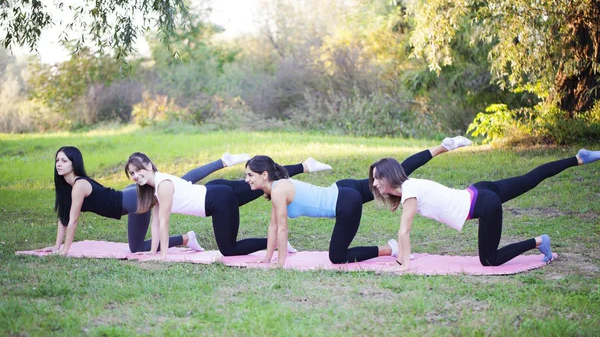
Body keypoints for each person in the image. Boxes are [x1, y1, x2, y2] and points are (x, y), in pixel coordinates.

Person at [244, 137, 472, 266]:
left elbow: (283, 229)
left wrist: (280, 263)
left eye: (250, 175)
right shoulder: (279, 187)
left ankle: (389, 248)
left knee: (337, 257)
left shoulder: (278, 190)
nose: (246, 180)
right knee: (396, 175)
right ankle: (442, 147)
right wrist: (267, 257)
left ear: (265, 175)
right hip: (343, 188)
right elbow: (274, 226)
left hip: (345, 202)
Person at [370, 149, 600, 270]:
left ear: (389, 176)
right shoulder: (410, 188)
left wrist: (404, 265)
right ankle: (578, 158)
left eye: (378, 179)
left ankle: (539, 241)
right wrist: (401, 259)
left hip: (484, 205)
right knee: (531, 178)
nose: (375, 185)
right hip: (478, 191)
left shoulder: (409, 191)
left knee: (489, 261)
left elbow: (404, 232)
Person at [38, 147, 252, 255]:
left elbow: (74, 221)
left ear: (74, 163)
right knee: (183, 181)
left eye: (64, 160)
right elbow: (64, 217)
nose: (59, 164)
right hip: (127, 194)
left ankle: (186, 238)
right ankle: (222, 161)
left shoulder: (79, 185)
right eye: (57, 160)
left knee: (136, 247)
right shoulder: (68, 188)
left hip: (131, 202)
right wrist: (56, 246)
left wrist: (65, 250)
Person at [124, 152, 332, 260]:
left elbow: (164, 223)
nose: (135, 176)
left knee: (229, 250)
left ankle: (277, 241)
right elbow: (156, 222)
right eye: (131, 174)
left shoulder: (163, 185)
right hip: (215, 191)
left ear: (149, 166)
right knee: (261, 183)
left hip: (218, 200)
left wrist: (162, 256)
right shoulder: (153, 187)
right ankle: (305, 166)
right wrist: (153, 253)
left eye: (138, 170)